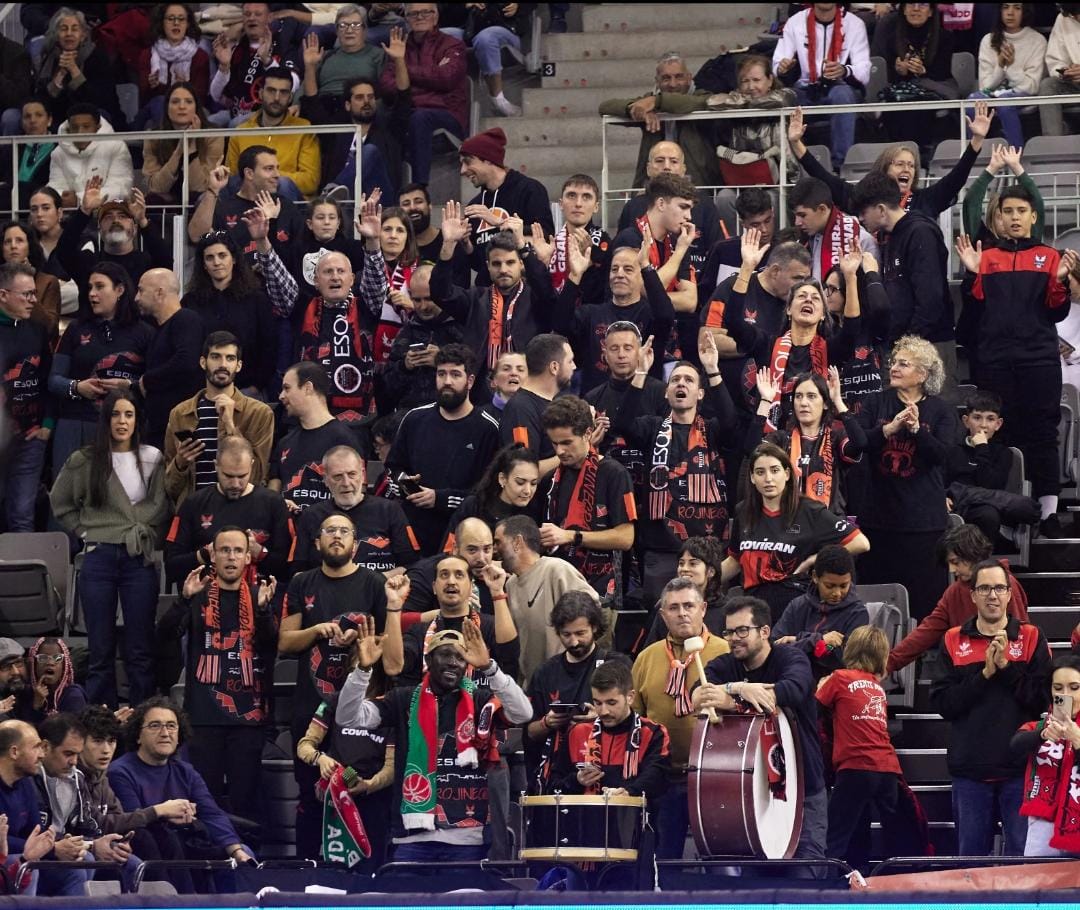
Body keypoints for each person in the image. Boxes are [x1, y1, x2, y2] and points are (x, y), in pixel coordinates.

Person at [335, 617, 532, 864]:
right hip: (412, 838)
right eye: (445, 655)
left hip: (466, 837)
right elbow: (348, 718)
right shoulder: (404, 699)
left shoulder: (480, 700)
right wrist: (362, 671)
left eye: (460, 658)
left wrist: (490, 668)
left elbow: (523, 713)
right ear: (428, 661)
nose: (453, 662)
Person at [955, 187, 1074, 538]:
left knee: (1041, 434)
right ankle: (1003, 508)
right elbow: (973, 316)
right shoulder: (984, 255)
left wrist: (1061, 282)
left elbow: (1057, 311)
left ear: (1033, 216)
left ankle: (1049, 511)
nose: (1015, 217)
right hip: (994, 361)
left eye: (1022, 210)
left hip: (1038, 360)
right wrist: (973, 275)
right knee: (998, 434)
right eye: (1008, 211)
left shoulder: (1049, 256)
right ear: (999, 216)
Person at [278, 510, 388, 857]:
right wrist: (314, 631)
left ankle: (364, 871)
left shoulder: (373, 584)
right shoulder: (301, 582)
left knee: (361, 790)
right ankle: (307, 867)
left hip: (362, 711)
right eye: (329, 530)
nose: (336, 536)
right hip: (311, 704)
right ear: (317, 541)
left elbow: (390, 643)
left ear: (356, 543)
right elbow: (284, 642)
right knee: (310, 792)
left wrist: (362, 640)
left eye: (344, 531)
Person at [50, 391, 170, 709]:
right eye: (116, 414)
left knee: (140, 646)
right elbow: (59, 502)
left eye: (128, 415)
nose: (122, 421)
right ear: (106, 420)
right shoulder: (85, 460)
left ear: (136, 420)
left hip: (137, 556)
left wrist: (148, 535)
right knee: (100, 647)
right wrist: (84, 530)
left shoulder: (152, 457)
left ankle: (142, 715)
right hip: (99, 556)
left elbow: (162, 506)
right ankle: (100, 720)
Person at [695, 596, 828, 874]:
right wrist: (740, 689)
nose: (734, 639)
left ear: (765, 631)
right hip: (752, 796)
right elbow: (697, 693)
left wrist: (733, 697)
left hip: (803, 792)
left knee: (805, 881)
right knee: (755, 888)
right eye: (729, 632)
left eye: (742, 630)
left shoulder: (792, 658)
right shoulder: (723, 665)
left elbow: (792, 690)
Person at [929, 559, 1051, 856]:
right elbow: (944, 704)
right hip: (970, 770)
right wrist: (983, 675)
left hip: (1020, 769)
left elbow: (1041, 701)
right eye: (984, 588)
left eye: (999, 588)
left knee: (1022, 861)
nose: (992, 595)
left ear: (1010, 593)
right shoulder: (952, 639)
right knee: (970, 862)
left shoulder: (1032, 637)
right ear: (972, 595)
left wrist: (1006, 668)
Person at [159, 526, 277, 824]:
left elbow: (271, 648)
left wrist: (264, 613)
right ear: (213, 554)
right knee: (203, 797)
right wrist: (183, 600)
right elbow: (163, 636)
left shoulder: (257, 596)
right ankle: (207, 857)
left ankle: (249, 859)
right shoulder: (196, 594)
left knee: (245, 798)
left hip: (248, 717)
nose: (231, 556)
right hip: (202, 715)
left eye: (238, 550)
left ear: (248, 557)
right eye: (224, 550)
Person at [612, 332, 736, 606]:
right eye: (675, 380)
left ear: (700, 393)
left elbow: (731, 423)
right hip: (662, 549)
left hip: (707, 549)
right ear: (667, 393)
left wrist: (713, 369)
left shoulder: (712, 429)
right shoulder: (651, 427)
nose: (681, 383)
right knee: (663, 619)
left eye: (689, 380)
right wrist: (641, 372)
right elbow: (622, 423)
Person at [856, 336, 958, 620]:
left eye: (904, 363)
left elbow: (944, 457)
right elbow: (858, 443)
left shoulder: (940, 410)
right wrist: (887, 430)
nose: (894, 368)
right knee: (876, 601)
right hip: (878, 519)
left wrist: (917, 431)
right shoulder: (876, 402)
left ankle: (924, 662)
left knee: (924, 603)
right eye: (893, 362)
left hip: (923, 523)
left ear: (923, 374)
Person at [107, 698, 254, 887]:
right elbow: (134, 821)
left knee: (243, 854)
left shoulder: (186, 771)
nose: (165, 733)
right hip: (154, 847)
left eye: (171, 726)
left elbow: (211, 813)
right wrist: (168, 813)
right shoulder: (120, 771)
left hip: (188, 839)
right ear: (137, 735)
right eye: (155, 726)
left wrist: (236, 850)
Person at [631, 577, 728, 859]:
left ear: (703, 609)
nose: (682, 613)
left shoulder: (725, 651)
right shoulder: (646, 658)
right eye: (674, 608)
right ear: (663, 615)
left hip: (715, 777)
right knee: (665, 859)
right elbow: (637, 718)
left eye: (689, 605)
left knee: (720, 859)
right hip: (664, 779)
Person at [720, 442, 869, 623]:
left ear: (787, 474)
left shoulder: (809, 511)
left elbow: (861, 542)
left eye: (775, 470)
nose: (768, 478)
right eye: (760, 472)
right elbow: (735, 560)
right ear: (752, 477)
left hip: (794, 606)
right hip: (753, 607)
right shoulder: (743, 511)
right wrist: (704, 580)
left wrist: (815, 559)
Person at [47, 262, 156, 486]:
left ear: (119, 290)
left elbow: (154, 382)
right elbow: (54, 380)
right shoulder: (76, 328)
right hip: (76, 422)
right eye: (90, 288)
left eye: (99, 287)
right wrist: (77, 387)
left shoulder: (145, 332)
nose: (92, 294)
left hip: (124, 425)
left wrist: (129, 385)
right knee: (68, 493)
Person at [386, 344, 502, 554]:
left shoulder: (488, 429)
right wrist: (406, 485)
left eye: (455, 374)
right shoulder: (414, 419)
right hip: (411, 533)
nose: (447, 381)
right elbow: (393, 468)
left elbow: (489, 493)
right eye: (441, 374)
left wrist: (439, 498)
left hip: (461, 536)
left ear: (470, 381)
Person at [850, 172, 955, 387]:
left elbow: (930, 300)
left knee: (933, 416)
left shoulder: (920, 233)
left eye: (863, 212)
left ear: (881, 209)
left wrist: (906, 346)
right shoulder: (891, 237)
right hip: (906, 348)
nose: (860, 219)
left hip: (930, 347)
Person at [815, 625, 907, 868]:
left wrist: (820, 685)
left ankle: (825, 890)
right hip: (888, 770)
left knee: (837, 835)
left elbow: (814, 706)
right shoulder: (878, 689)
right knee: (889, 835)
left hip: (855, 767)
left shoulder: (839, 678)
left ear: (850, 650)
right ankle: (892, 882)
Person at [888, 524, 1029, 674]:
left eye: (955, 562)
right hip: (967, 678)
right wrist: (889, 663)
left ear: (972, 554)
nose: (951, 570)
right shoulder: (953, 592)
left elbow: (1021, 639)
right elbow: (927, 631)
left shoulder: (1007, 585)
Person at [433, 211, 560, 373]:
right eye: (497, 264)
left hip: (527, 384)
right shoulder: (475, 299)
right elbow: (440, 293)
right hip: (482, 388)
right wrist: (449, 244)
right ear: (488, 266)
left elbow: (547, 292)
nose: (503, 269)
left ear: (521, 264)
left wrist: (522, 245)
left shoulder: (535, 298)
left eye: (510, 262)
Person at [295, 666, 395, 871]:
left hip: (372, 795)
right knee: (335, 868)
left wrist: (368, 785)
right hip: (336, 792)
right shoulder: (333, 701)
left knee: (371, 868)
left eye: (369, 666)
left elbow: (391, 768)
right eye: (358, 666)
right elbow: (304, 745)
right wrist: (320, 759)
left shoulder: (389, 706)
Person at [700, 240, 814, 415]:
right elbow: (707, 341)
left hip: (767, 412)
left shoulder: (797, 306)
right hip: (720, 406)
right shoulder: (734, 288)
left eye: (807, 279)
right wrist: (762, 346)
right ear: (775, 271)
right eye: (797, 278)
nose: (802, 286)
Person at [553, 233, 677, 394]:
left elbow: (666, 315)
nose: (619, 274)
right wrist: (575, 276)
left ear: (641, 277)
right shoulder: (591, 314)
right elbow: (560, 324)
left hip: (643, 406)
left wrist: (646, 265)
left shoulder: (650, 315)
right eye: (614, 269)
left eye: (628, 269)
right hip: (596, 408)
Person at [540, 396, 637, 602]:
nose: (560, 451)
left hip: (601, 594)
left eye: (567, 443)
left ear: (587, 433)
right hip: (557, 590)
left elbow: (625, 538)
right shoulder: (551, 480)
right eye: (554, 443)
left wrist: (571, 536)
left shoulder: (614, 473)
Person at [164, 435, 291, 588]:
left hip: (258, 603)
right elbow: (171, 567)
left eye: (242, 476)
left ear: (252, 465)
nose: (235, 484)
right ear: (216, 465)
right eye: (228, 476)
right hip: (205, 601)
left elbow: (289, 569)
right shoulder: (194, 503)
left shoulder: (273, 504)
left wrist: (259, 552)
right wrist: (206, 553)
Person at [164, 332, 275, 506]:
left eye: (230, 358)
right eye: (216, 357)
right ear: (203, 362)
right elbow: (170, 488)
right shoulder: (180, 413)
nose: (223, 364)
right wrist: (181, 462)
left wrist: (230, 426)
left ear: (238, 366)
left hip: (240, 512)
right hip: (195, 512)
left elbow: (258, 477)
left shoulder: (259, 413)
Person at [34, 713, 135, 895]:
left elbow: (86, 826)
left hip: (70, 848)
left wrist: (103, 842)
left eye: (77, 754)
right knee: (81, 863)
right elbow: (33, 834)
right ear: (46, 748)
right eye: (68, 754)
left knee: (129, 862)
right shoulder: (30, 779)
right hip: (41, 855)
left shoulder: (76, 777)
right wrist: (89, 846)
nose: (74, 762)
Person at [384, 553, 520, 688]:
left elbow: (510, 655)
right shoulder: (419, 631)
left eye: (459, 575)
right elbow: (392, 668)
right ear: (434, 587)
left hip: (480, 707)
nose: (451, 581)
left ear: (471, 586)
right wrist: (394, 605)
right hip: (429, 707)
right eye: (444, 575)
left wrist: (497, 591)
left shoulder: (490, 626)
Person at [494, 515, 601, 685]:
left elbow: (594, 609)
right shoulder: (511, 584)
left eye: (498, 542)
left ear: (517, 542)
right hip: (533, 686)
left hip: (567, 681)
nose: (494, 549)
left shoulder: (555, 569)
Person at [554, 657, 671, 811]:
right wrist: (576, 780)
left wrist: (629, 793)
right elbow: (554, 785)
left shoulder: (653, 733)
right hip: (584, 823)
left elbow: (657, 779)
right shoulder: (577, 732)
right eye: (597, 702)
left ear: (630, 697)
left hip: (634, 822)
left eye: (611, 703)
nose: (603, 711)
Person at [749, 368, 867, 513]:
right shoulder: (782, 439)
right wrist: (766, 401)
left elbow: (861, 443)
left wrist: (837, 401)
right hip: (788, 524)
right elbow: (751, 451)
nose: (803, 402)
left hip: (828, 525)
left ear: (825, 403)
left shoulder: (836, 438)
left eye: (811, 396)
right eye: (798, 396)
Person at [526, 592, 612, 789]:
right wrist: (547, 722)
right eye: (566, 634)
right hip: (556, 773)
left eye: (580, 633)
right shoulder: (545, 672)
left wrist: (600, 717)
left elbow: (634, 719)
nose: (573, 642)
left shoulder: (613, 664)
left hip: (604, 767)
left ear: (595, 627)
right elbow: (530, 731)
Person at [598, 52, 720, 190]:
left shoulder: (703, 98)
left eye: (679, 77)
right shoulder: (647, 104)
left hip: (698, 186)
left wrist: (657, 101)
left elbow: (694, 103)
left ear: (689, 78)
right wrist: (637, 110)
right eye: (666, 78)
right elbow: (605, 107)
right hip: (653, 184)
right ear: (657, 81)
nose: (673, 84)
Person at [291, 445, 420, 575]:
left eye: (352, 474)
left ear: (363, 475)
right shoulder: (310, 516)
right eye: (338, 476)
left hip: (379, 591)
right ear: (325, 480)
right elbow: (297, 573)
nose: (346, 483)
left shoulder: (389, 510)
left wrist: (369, 583)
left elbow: (409, 566)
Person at [377, 3, 468, 186]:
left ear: (436, 17)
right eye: (414, 14)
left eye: (426, 12)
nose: (420, 17)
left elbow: (446, 78)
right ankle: (388, 193)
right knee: (381, 119)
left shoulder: (452, 44)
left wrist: (403, 70)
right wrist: (428, 79)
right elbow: (387, 87)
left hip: (448, 114)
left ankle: (420, 188)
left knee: (420, 117)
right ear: (406, 19)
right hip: (407, 113)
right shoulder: (398, 46)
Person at [772, 3, 870, 170]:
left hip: (838, 86)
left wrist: (844, 70)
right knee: (782, 99)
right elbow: (776, 65)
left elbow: (864, 71)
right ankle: (790, 166)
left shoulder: (854, 24)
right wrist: (783, 68)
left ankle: (841, 166)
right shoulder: (795, 22)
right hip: (804, 89)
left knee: (843, 95)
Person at [55, 182, 173, 316]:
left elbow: (166, 261)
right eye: (108, 217)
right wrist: (84, 211)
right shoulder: (89, 262)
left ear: (134, 229)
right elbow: (64, 251)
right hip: (94, 332)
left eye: (122, 216)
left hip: (136, 333)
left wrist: (143, 221)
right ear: (99, 229)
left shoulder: (146, 263)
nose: (115, 220)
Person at [183, 230, 277, 396]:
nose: (216, 262)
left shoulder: (257, 299)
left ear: (233, 259)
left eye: (222, 255)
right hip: (203, 391)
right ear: (203, 264)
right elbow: (188, 349)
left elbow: (269, 347)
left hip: (248, 391)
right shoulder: (190, 301)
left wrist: (256, 386)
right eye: (210, 258)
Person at [293, 249, 376, 426]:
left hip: (360, 419)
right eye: (328, 272)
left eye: (341, 271)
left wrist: (373, 243)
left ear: (352, 279)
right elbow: (279, 283)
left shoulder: (368, 306)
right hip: (311, 416)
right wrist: (262, 242)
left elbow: (376, 281)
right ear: (316, 280)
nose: (335, 277)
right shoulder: (303, 307)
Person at [459, 127, 554, 277]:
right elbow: (480, 266)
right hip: (487, 294)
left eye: (468, 161)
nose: (462, 170)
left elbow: (546, 239)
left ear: (488, 159)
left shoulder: (530, 190)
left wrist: (500, 223)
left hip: (525, 288)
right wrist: (467, 245)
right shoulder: (475, 206)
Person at [0, 264, 53, 533]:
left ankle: (23, 576)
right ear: (3, 295)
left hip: (30, 437)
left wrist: (48, 424)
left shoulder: (37, 330)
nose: (34, 300)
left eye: (34, 293)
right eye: (27, 295)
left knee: (22, 513)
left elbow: (48, 380)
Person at [585, 323, 669, 488]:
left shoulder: (661, 392)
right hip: (607, 484)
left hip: (653, 482)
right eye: (614, 348)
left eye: (628, 348)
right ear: (605, 355)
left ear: (640, 352)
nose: (621, 355)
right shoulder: (592, 398)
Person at [301, 74, 407, 203]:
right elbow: (314, 108)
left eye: (370, 97)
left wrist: (399, 60)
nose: (366, 101)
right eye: (359, 98)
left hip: (378, 201)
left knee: (369, 150)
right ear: (347, 105)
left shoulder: (389, 133)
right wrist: (310, 66)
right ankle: (335, 196)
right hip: (345, 206)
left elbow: (404, 102)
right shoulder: (337, 135)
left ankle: (334, 192)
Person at [945, 390, 1034, 542]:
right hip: (956, 505)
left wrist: (981, 449)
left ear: (998, 424)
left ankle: (981, 562)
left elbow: (991, 485)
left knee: (988, 515)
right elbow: (939, 480)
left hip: (984, 505)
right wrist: (942, 495)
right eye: (977, 418)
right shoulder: (952, 451)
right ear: (966, 421)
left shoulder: (1004, 453)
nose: (983, 425)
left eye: (990, 419)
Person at [1013, 655, 1080, 857]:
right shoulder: (1041, 726)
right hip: (1043, 822)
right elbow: (1015, 746)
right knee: (1038, 884)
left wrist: (1077, 742)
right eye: (1058, 688)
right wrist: (1042, 735)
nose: (1066, 695)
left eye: (1074, 687)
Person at [611, 169, 700, 322]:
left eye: (690, 209)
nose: (689, 216)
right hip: (631, 331)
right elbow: (645, 290)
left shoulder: (679, 243)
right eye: (683, 207)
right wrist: (679, 253)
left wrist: (680, 250)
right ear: (660, 204)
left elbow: (690, 301)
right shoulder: (630, 239)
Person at [270, 363, 358, 513]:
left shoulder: (344, 439)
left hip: (329, 531)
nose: (281, 396)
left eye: (287, 388)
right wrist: (278, 505)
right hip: (289, 531)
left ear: (307, 388)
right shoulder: (285, 442)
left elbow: (356, 496)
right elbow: (272, 494)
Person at [771, 545, 869, 680]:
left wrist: (797, 640)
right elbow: (774, 650)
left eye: (843, 586)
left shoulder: (857, 614)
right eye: (830, 586)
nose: (837, 593)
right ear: (815, 577)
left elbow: (844, 660)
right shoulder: (797, 606)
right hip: (794, 680)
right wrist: (818, 640)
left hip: (834, 685)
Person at [134, 268, 205, 451]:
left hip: (180, 434)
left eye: (141, 290)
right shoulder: (158, 331)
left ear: (159, 293)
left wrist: (147, 380)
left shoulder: (186, 319)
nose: (136, 298)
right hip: (160, 429)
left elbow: (186, 361)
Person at [186, 151, 304, 259]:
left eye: (277, 168)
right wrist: (213, 189)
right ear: (249, 173)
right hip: (237, 280)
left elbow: (299, 252)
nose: (277, 174)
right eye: (269, 169)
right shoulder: (225, 207)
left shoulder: (285, 205)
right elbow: (196, 236)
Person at [225, 66, 320, 201]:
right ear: (261, 93)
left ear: (290, 97)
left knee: (284, 184)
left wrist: (266, 176)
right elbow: (233, 178)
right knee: (217, 190)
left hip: (288, 202)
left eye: (283, 92)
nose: (276, 98)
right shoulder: (241, 131)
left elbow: (310, 182)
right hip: (248, 200)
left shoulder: (304, 128)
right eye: (271, 90)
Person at [382, 264, 466, 413]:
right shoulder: (406, 332)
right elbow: (387, 388)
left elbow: (476, 376)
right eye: (417, 300)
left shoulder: (463, 326)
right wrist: (405, 366)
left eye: (429, 299)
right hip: (412, 417)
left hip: (454, 415)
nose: (423, 306)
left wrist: (443, 361)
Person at [871, 1, 958, 143]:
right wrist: (900, 70)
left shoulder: (944, 37)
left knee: (919, 106)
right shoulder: (891, 36)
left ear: (930, 12)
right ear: (903, 10)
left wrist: (923, 71)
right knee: (898, 105)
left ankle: (921, 155)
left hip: (932, 88)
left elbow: (944, 73)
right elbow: (884, 75)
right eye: (911, 4)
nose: (916, 9)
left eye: (922, 5)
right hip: (901, 90)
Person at [0, 721, 66, 894]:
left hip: (19, 854)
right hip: (8, 859)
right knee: (26, 864)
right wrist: (50, 848)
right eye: (36, 747)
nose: (42, 754)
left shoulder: (26, 783)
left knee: (80, 862)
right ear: (14, 752)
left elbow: (35, 831)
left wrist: (83, 844)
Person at [210, 1, 301, 124]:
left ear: (269, 18)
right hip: (234, 112)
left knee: (235, 124)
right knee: (209, 123)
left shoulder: (283, 43)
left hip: (265, 116)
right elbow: (215, 95)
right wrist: (224, 67)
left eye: (258, 14)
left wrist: (267, 61)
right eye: (247, 14)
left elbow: (293, 84)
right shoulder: (237, 47)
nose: (252, 18)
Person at [499, 334, 576, 477]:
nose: (574, 366)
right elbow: (524, 472)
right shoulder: (520, 409)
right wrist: (576, 450)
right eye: (570, 361)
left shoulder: (558, 402)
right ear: (554, 367)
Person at [970, 3, 1045, 148]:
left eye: (1017, 8)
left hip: (1021, 93)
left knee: (1004, 102)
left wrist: (1009, 67)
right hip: (993, 92)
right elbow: (985, 86)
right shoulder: (988, 40)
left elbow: (1032, 87)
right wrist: (1000, 65)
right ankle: (972, 153)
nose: (1010, 13)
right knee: (972, 101)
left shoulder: (1037, 40)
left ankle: (1016, 154)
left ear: (1025, 12)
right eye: (1006, 7)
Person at [34, 8, 124, 127]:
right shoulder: (49, 59)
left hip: (97, 118)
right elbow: (42, 101)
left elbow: (102, 101)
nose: (69, 34)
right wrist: (60, 74)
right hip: (59, 120)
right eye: (64, 29)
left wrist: (74, 71)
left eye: (75, 29)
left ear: (83, 35)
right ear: (56, 35)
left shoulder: (97, 57)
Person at [444, 445, 543, 548]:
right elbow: (448, 550)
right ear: (502, 479)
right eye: (520, 482)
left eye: (533, 483)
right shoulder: (473, 506)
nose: (527, 491)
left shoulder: (535, 515)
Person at [142, 82, 225, 202]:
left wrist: (191, 145)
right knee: (152, 200)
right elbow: (156, 188)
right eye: (175, 102)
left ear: (196, 107)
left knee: (205, 199)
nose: (182, 106)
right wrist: (179, 152)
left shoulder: (212, 135)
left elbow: (201, 186)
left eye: (188, 102)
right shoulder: (153, 137)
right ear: (167, 107)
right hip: (165, 198)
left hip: (199, 199)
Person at [363, 204, 422, 366]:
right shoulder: (365, 271)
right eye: (387, 229)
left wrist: (412, 305)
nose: (393, 235)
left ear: (408, 237)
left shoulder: (421, 271)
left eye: (400, 230)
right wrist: (371, 241)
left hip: (410, 354)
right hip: (369, 354)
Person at [790, 177, 879, 282]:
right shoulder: (803, 239)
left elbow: (874, 286)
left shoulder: (861, 239)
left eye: (803, 215)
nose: (797, 222)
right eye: (795, 216)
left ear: (822, 209)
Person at [46, 105, 132, 212]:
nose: (80, 132)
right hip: (70, 217)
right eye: (75, 127)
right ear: (69, 129)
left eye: (86, 126)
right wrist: (61, 198)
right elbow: (55, 188)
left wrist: (79, 199)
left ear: (98, 127)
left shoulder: (116, 147)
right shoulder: (58, 153)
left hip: (108, 214)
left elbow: (121, 190)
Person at [135, 4, 210, 123]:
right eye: (170, 18)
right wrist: (153, 86)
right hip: (154, 109)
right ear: (162, 23)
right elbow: (143, 100)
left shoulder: (199, 56)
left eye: (181, 19)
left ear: (188, 23)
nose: (176, 23)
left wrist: (186, 87)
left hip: (188, 110)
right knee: (159, 103)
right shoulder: (147, 55)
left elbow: (202, 98)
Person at [541, 174, 610, 302]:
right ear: (561, 204)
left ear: (596, 207)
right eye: (572, 196)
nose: (578, 204)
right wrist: (540, 264)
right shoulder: (549, 243)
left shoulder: (604, 243)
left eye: (586, 197)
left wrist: (591, 262)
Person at [301, 5, 385, 100]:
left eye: (356, 25)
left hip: (360, 106)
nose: (349, 30)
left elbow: (385, 92)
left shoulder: (378, 55)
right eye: (343, 26)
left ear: (364, 30)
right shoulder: (325, 56)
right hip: (325, 106)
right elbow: (304, 91)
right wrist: (310, 66)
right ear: (336, 31)